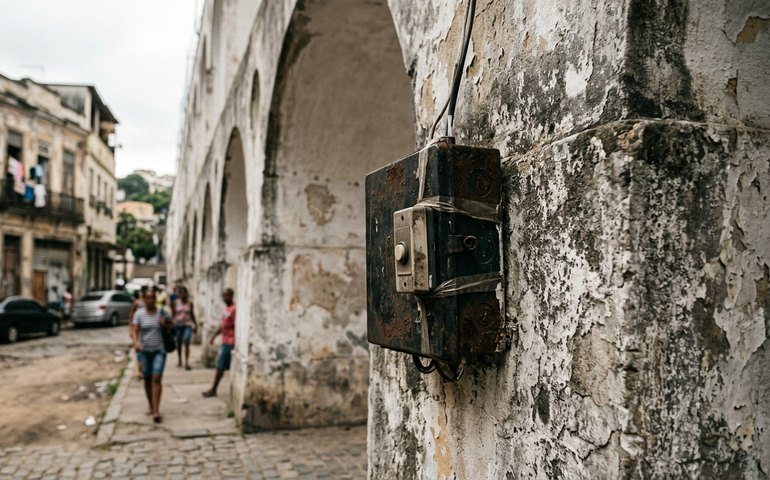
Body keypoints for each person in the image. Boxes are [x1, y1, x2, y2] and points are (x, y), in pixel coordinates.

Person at [131, 289, 171, 423]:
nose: (150, 300)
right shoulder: (139, 314)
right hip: (145, 352)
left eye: (152, 298)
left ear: (155, 299)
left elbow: (172, 326)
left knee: (156, 378)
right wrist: (136, 342)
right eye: (147, 298)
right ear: (144, 299)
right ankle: (150, 404)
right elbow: (135, 330)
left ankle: (156, 410)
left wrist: (164, 324)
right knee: (147, 379)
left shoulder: (162, 312)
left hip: (159, 350)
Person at [202, 288, 235, 397]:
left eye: (227, 296)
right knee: (221, 366)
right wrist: (214, 336)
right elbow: (223, 325)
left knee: (220, 366)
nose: (224, 298)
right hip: (225, 341)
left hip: (230, 342)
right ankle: (214, 389)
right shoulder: (226, 309)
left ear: (231, 295)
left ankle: (214, 389)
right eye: (223, 296)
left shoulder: (234, 309)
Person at [170, 286, 197, 370]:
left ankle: (186, 362)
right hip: (178, 325)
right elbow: (173, 314)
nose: (183, 295)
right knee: (178, 343)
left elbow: (192, 314)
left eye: (184, 293)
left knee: (186, 342)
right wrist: (171, 324)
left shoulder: (190, 303)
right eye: (181, 293)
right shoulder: (175, 302)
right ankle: (180, 359)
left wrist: (195, 324)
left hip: (187, 325)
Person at [129, 286, 148, 379]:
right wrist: (131, 329)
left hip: (146, 329)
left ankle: (141, 369)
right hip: (137, 328)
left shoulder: (150, 303)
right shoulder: (137, 303)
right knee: (138, 348)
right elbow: (131, 315)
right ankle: (138, 370)